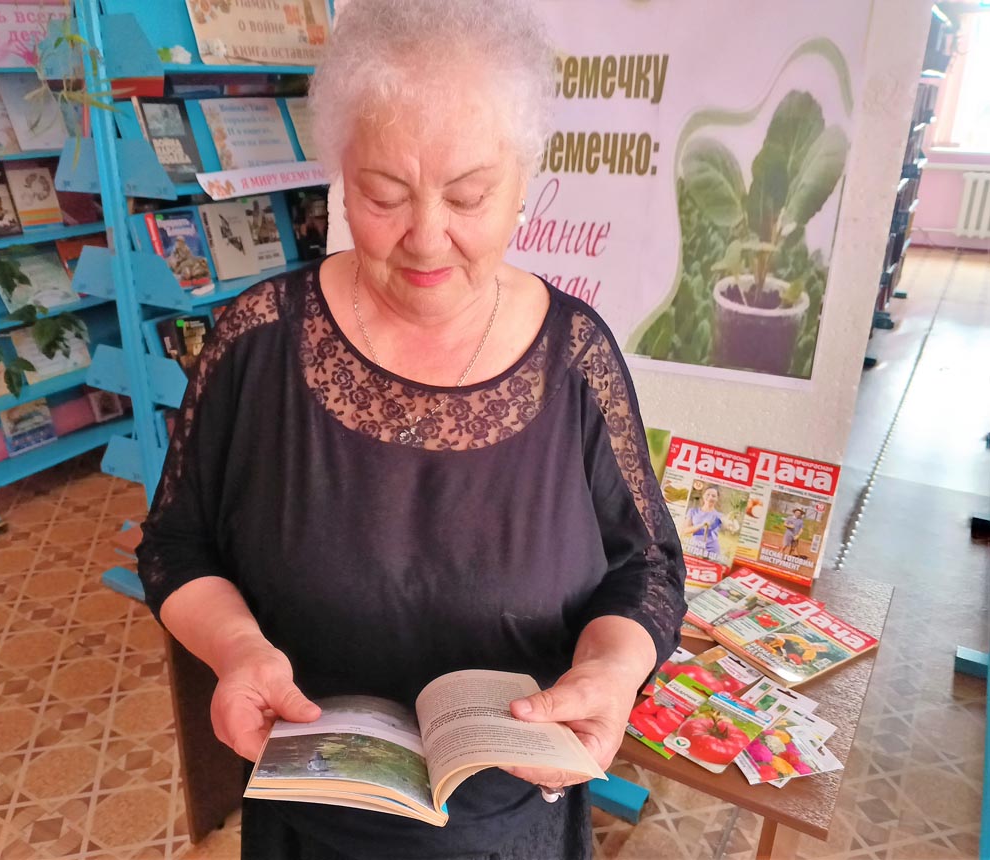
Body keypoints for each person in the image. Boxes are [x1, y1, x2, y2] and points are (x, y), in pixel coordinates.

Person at [137, 1, 687, 857]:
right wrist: (237, 649)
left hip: (511, 825)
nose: (427, 239)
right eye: (383, 196)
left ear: (524, 182)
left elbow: (645, 567)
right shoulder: (255, 341)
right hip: (308, 822)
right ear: (340, 177)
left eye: (468, 196)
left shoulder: (575, 356)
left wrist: (611, 674)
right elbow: (177, 543)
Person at [679, 485, 725, 562]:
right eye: (708, 494)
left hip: (713, 550)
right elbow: (685, 530)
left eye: (713, 496)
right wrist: (701, 525)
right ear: (703, 496)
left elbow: (730, 526)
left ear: (717, 499)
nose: (710, 497)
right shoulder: (692, 511)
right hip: (696, 548)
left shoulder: (720, 516)